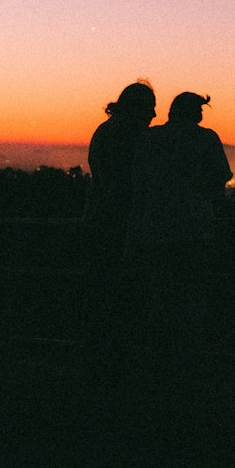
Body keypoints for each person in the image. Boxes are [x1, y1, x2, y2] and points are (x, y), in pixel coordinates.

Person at [129, 91, 232, 371]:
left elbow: (138, 182)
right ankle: (186, 362)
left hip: (156, 230)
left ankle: (156, 360)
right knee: (191, 297)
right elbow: (221, 176)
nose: (201, 115)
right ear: (194, 112)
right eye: (200, 109)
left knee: (160, 296)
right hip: (196, 230)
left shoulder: (150, 138)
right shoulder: (207, 139)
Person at [81, 81, 156, 384]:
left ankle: (98, 366)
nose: (153, 114)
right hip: (121, 227)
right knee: (123, 300)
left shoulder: (104, 130)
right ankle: (117, 370)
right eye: (150, 107)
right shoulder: (134, 136)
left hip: (98, 221)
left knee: (100, 298)